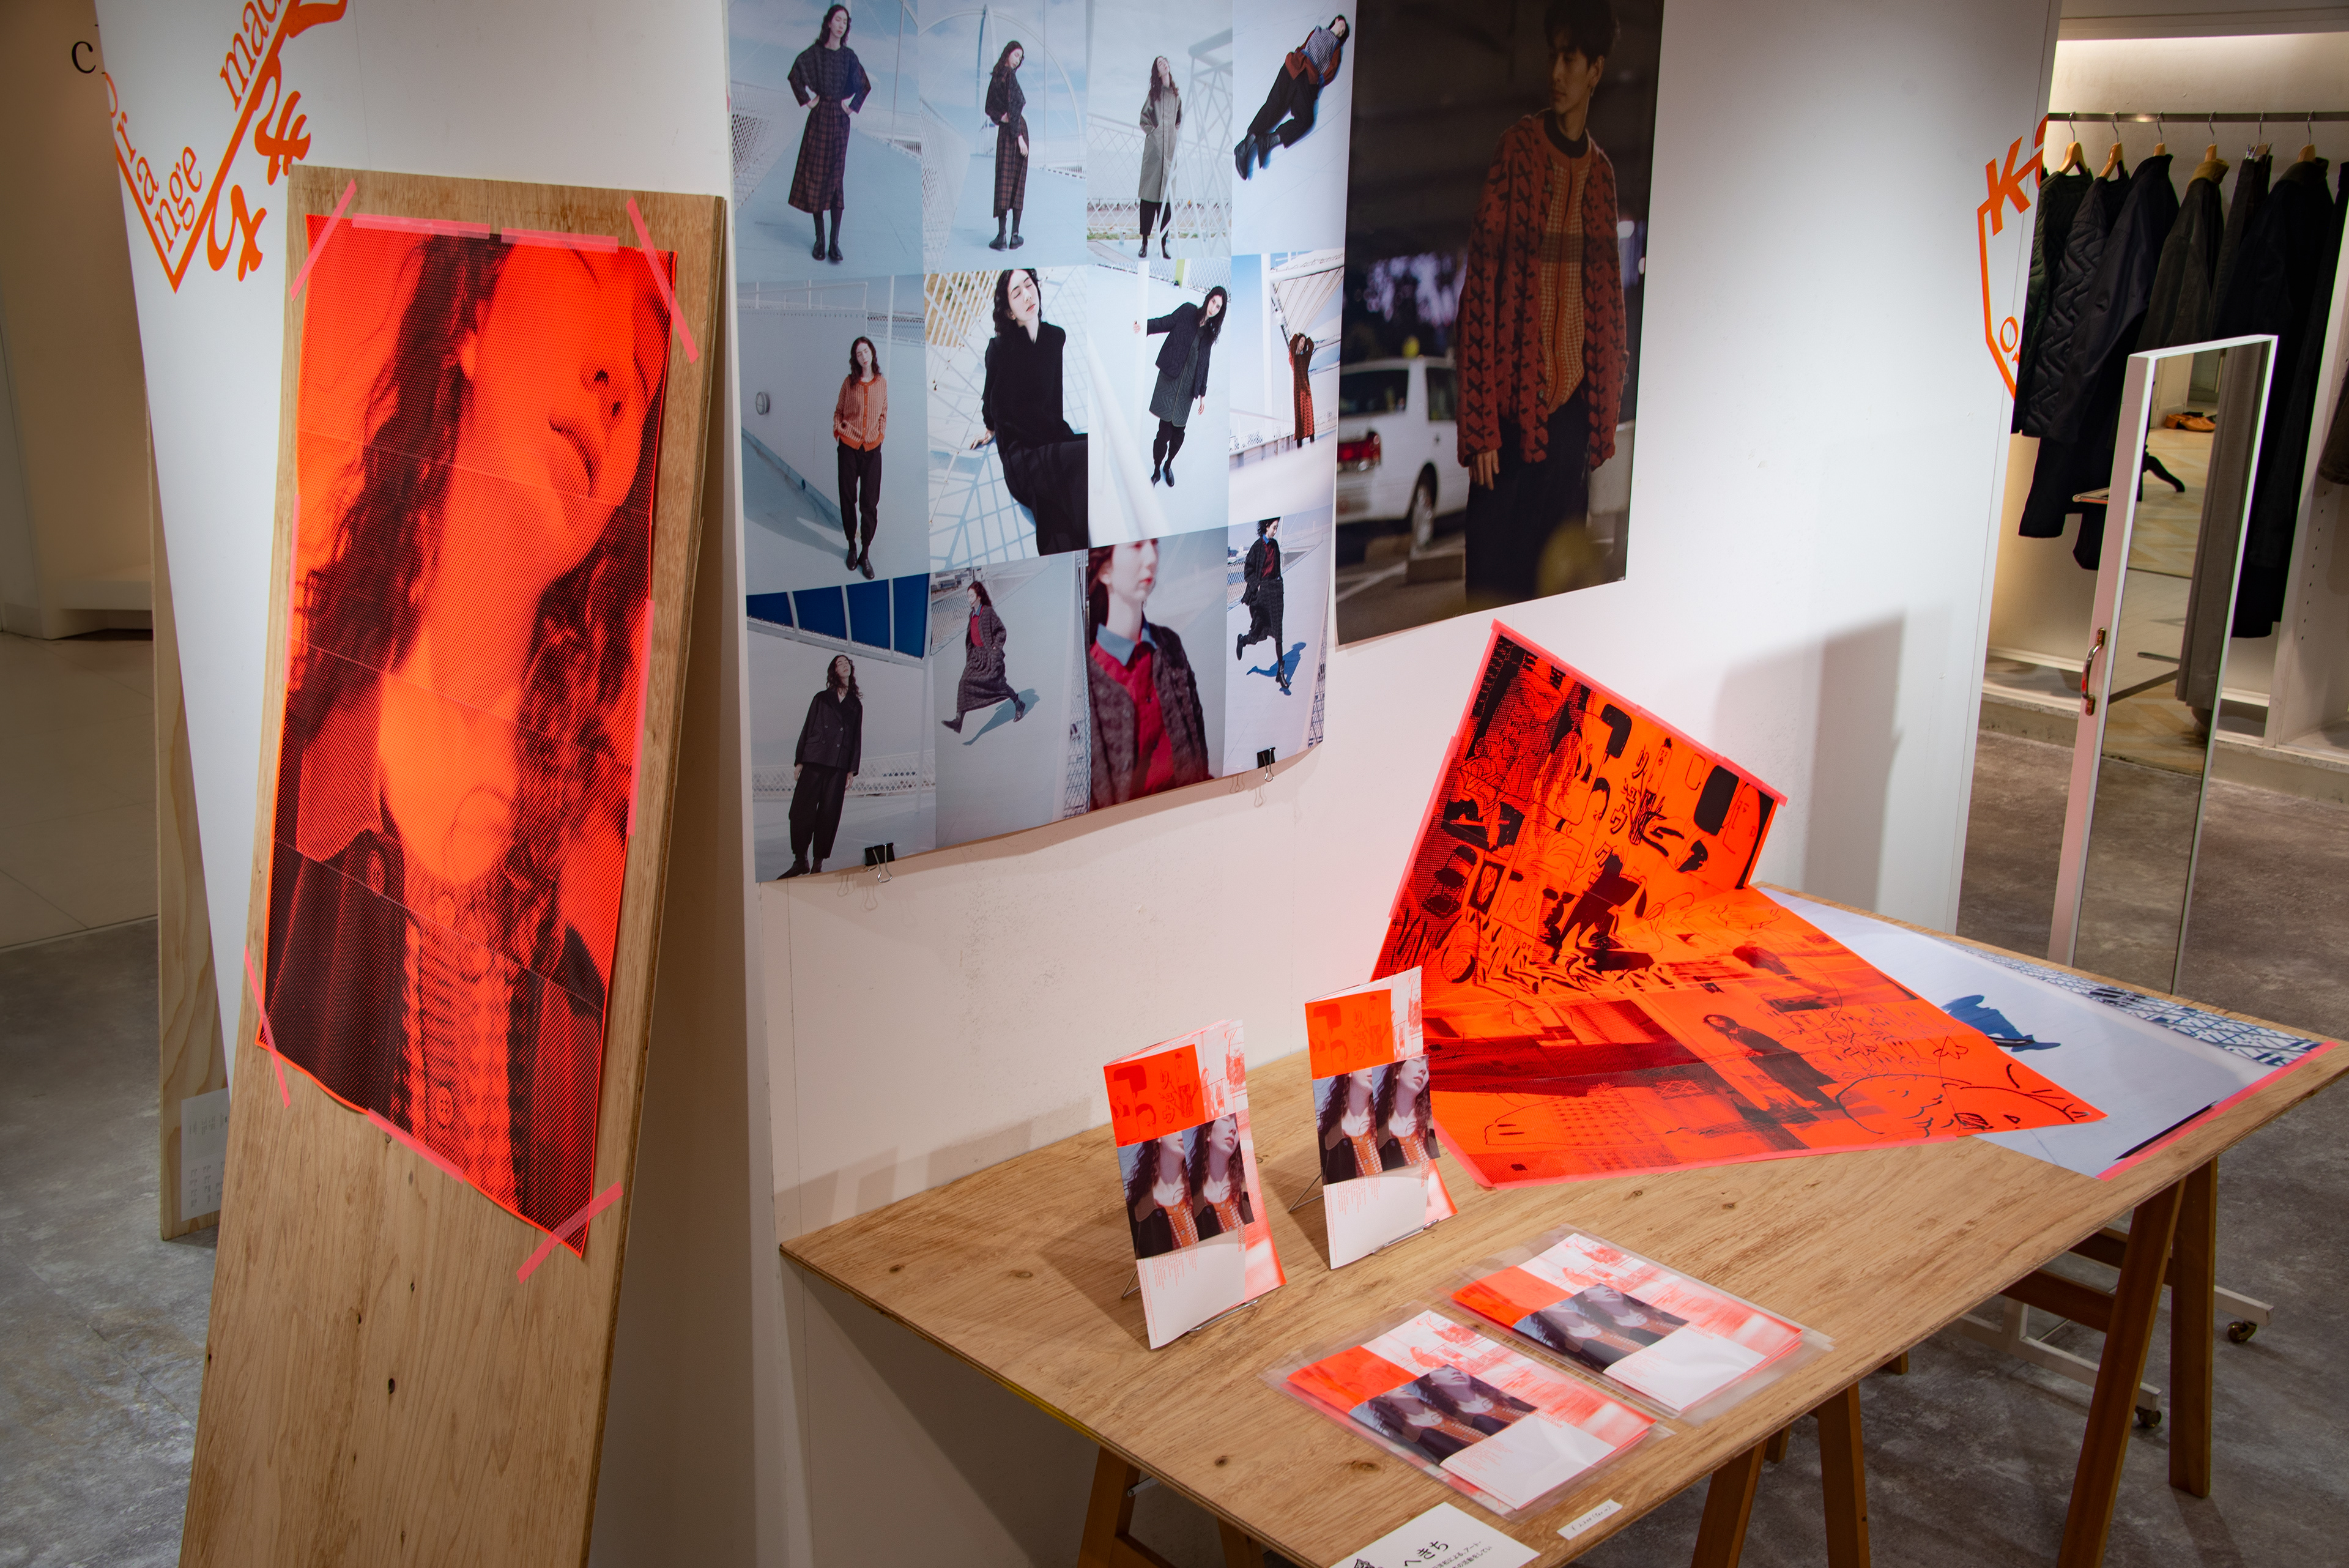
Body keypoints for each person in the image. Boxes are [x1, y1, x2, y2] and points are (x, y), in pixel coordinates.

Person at [265, 234, 671, 1233]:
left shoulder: (600, 898)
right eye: (585, 276)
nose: (618, 380)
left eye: (648, 361)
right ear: (471, 316)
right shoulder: (295, 781)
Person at [1455, 0, 1625, 609]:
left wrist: (1598, 424)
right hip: (1506, 423)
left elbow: (1608, 310)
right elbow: (1480, 291)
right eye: (1553, 56)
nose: (1556, 72)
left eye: (1570, 59)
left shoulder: (1601, 177)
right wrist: (1480, 426)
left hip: (1570, 421)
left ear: (1595, 70)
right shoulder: (1518, 152)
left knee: (1556, 601)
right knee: (1493, 596)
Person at [1086, 540, 1211, 807]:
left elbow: (1198, 744)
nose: (1152, 556)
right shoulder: (1090, 680)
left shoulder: (1171, 646)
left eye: (1155, 543)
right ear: (1105, 571)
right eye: (1136, 545)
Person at [977, 268, 1089, 555]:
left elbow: (1054, 393)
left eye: (1029, 285)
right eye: (1017, 293)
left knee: (1097, 450)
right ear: (1009, 312)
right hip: (1021, 452)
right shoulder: (999, 349)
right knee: (1087, 457)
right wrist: (990, 426)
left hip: (1050, 433)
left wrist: (1057, 431)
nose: (1027, 295)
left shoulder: (1055, 338)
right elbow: (990, 395)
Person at [787, 5, 873, 266]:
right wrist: (809, 101)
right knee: (816, 176)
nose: (841, 25)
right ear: (828, 23)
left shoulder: (849, 57)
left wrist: (850, 107)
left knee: (836, 180)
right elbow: (795, 75)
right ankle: (820, 240)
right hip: (819, 119)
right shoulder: (814, 54)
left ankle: (834, 243)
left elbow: (864, 85)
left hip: (839, 122)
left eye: (845, 22)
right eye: (838, 20)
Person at [1135, 284, 1227, 488]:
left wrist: (1202, 394)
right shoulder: (1187, 311)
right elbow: (1166, 322)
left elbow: (1205, 363)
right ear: (1208, 299)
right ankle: (1156, 469)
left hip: (1187, 390)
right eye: (1213, 302)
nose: (1213, 308)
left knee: (1178, 435)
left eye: (1218, 307)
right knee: (1164, 433)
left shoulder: (1210, 334)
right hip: (1171, 380)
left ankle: (1168, 465)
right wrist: (1144, 326)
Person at [1236, 16, 1349, 179]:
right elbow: (1304, 46)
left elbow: (1330, 72)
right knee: (1274, 104)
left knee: (1306, 120)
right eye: (1341, 25)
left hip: (1309, 79)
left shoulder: (1336, 48)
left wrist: (1315, 83)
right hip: (1294, 66)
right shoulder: (1317, 31)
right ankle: (1245, 147)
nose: (1341, 30)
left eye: (1343, 31)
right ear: (1336, 21)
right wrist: (1297, 56)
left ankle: (1268, 141)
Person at [784, 655, 863, 878]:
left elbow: (856, 738)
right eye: (839, 663)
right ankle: (801, 860)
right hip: (814, 759)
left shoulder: (856, 705)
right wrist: (800, 760)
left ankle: (817, 865)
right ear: (834, 671)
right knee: (800, 811)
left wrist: (851, 769)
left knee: (829, 814)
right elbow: (808, 727)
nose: (844, 665)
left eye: (847, 663)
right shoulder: (821, 698)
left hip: (839, 765)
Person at [1701, 1012, 1839, 1112]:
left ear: (1726, 1020)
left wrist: (1756, 1051)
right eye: (1713, 1023)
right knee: (1793, 1083)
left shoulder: (1743, 1032)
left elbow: (1773, 1045)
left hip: (1778, 1061)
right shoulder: (1731, 1035)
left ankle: (1828, 1103)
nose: (1717, 1024)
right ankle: (1823, 1102)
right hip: (1766, 1063)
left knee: (1798, 1082)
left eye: (1718, 1020)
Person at [832, 335, 886, 579]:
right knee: (847, 499)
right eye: (859, 354)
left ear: (872, 353)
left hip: (872, 450)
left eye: (866, 351)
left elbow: (883, 414)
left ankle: (865, 553)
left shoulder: (882, 383)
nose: (864, 357)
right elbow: (838, 412)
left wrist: (880, 435)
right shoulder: (849, 383)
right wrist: (839, 432)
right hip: (848, 448)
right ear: (855, 359)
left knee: (869, 503)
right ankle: (852, 547)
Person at [942, 578, 1027, 732]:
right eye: (968, 596)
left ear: (979, 597)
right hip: (976, 658)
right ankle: (958, 720)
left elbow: (1001, 631)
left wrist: (995, 648)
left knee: (999, 685)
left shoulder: (987, 612)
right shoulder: (972, 615)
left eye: (972, 596)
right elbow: (972, 637)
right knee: (964, 682)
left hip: (990, 656)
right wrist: (971, 654)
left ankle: (1019, 704)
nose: (969, 599)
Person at [985, 41, 1030, 251]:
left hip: (1005, 133)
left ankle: (1001, 237)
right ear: (1008, 53)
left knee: (1003, 180)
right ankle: (1014, 236)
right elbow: (1015, 106)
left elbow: (989, 107)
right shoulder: (1009, 76)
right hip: (1017, 131)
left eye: (1021, 57)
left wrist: (999, 117)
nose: (1018, 60)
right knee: (1018, 181)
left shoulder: (996, 77)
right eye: (1016, 55)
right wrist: (1019, 137)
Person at [1236, 515, 1287, 692]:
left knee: (1278, 632)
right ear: (1266, 526)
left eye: (1277, 527)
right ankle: (1243, 640)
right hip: (1261, 595)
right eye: (1274, 527)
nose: (1276, 531)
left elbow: (1277, 569)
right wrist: (1257, 585)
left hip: (1275, 591)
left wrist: (1279, 582)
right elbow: (1248, 571)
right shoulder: (1257, 547)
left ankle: (1280, 672)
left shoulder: (1275, 545)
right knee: (1257, 633)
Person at [1137, 56, 1181, 258]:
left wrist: (1172, 136)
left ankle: (1164, 244)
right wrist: (1154, 133)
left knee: (1167, 200)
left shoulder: (1176, 96)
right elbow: (1143, 119)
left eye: (1165, 61)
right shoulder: (1153, 95)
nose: (1163, 64)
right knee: (1148, 197)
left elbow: (1179, 120)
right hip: (1154, 152)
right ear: (1157, 71)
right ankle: (1145, 243)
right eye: (1159, 63)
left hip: (1170, 152)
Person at [1126, 1132, 1196, 1257]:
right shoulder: (1136, 1211)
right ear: (1157, 1135)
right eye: (1174, 1124)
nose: (1182, 1131)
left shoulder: (1200, 1193)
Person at [1189, 1114, 1253, 1239]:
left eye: (1237, 1124)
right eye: (1226, 1119)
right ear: (1208, 1133)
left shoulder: (1248, 1188)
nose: (1234, 1128)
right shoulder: (1191, 1200)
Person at [1316, 1067, 1382, 1184]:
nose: (1372, 1068)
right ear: (1349, 1071)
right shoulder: (1327, 1140)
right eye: (1366, 1063)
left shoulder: (1384, 1125)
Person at [1374, 1053, 1439, 1167]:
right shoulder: (1375, 1134)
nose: (1424, 1069)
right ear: (1397, 1071)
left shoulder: (1433, 1126)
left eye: (1428, 1067)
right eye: (1416, 1060)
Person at [1289, 333, 1317, 444]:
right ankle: (1299, 449)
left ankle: (1313, 445)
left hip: (1307, 392)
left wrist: (1306, 338)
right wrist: (1297, 336)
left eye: (1304, 343)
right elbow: (1292, 344)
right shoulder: (1292, 358)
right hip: (1298, 392)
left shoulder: (1305, 358)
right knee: (1299, 419)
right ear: (1297, 342)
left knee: (1309, 417)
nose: (1303, 344)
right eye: (1301, 341)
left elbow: (1312, 345)